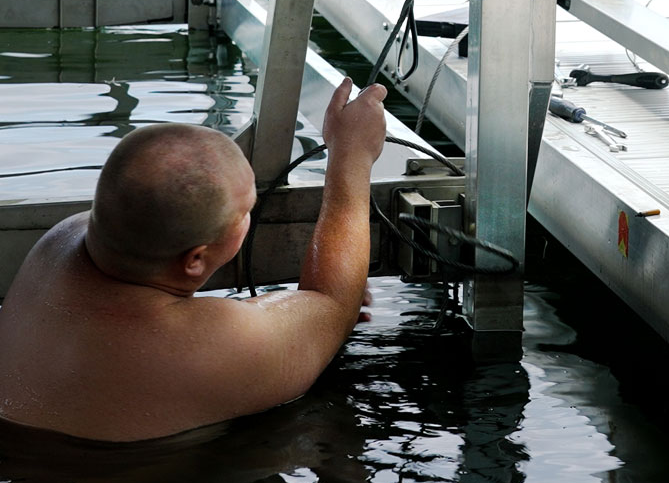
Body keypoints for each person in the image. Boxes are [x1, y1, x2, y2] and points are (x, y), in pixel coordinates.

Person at [0, 76, 386, 441]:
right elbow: (334, 304)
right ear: (195, 260)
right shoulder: (195, 348)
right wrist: (351, 156)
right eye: (246, 211)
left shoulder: (58, 242)